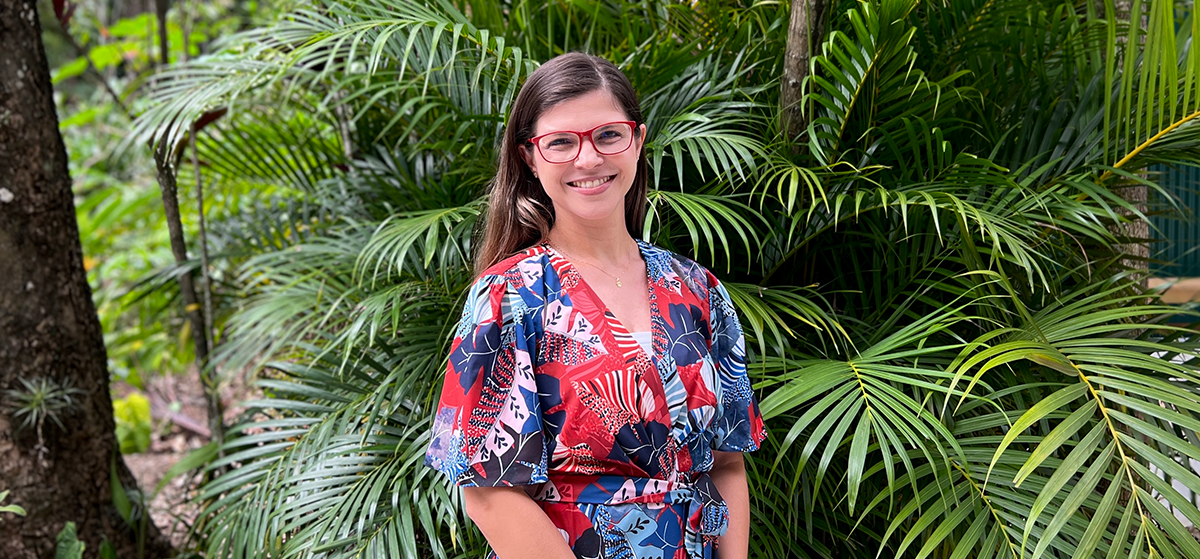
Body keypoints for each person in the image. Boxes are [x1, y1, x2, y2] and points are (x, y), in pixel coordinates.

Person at [424, 52, 766, 559]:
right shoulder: (510, 296)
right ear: (530, 158)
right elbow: (488, 494)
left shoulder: (697, 289)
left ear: (638, 141)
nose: (588, 159)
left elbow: (727, 463)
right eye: (561, 142)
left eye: (608, 135)